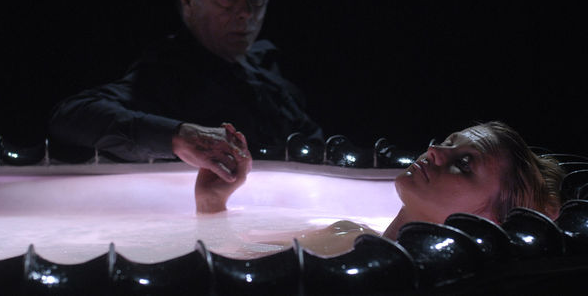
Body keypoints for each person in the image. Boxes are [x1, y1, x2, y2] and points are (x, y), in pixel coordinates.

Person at [48, 0, 322, 182]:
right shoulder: (166, 72)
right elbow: (72, 116)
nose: (246, 13)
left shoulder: (272, 75)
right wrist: (178, 136)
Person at [195, 121, 564, 255]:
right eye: (449, 142)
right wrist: (212, 202)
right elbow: (232, 260)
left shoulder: (347, 242)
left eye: (464, 164)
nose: (435, 151)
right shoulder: (344, 234)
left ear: (492, 221)